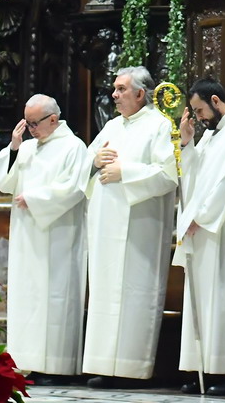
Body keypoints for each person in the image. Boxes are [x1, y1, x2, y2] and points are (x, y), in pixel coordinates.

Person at [82, 66, 178, 386]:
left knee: (135, 294)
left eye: (121, 89)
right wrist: (94, 163)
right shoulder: (111, 125)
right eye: (114, 88)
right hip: (106, 225)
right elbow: (85, 162)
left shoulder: (160, 126)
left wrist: (127, 171)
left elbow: (168, 174)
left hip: (140, 228)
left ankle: (131, 369)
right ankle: (104, 365)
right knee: (106, 292)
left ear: (140, 93)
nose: (114, 95)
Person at [0, 94, 89, 383]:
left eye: (34, 123)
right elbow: (4, 182)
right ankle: (28, 361)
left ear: (53, 119)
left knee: (54, 297)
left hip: (58, 236)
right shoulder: (29, 147)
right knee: (29, 296)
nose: (31, 128)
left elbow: (74, 188)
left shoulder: (74, 147)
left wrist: (35, 198)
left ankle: (56, 367)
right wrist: (13, 147)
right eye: (27, 122)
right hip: (27, 235)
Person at [173, 79, 225, 395]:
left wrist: (201, 215)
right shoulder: (212, 134)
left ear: (215, 100)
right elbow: (195, 177)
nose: (198, 117)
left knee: (223, 300)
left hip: (223, 231)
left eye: (199, 110)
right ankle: (203, 367)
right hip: (202, 229)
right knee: (202, 301)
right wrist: (187, 143)